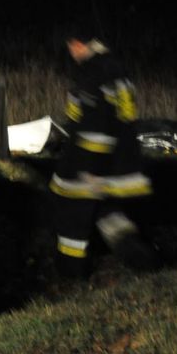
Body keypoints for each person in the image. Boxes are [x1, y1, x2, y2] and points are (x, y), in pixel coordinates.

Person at [49, 30, 156, 278]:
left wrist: (86, 170)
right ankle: (143, 259)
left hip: (91, 165)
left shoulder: (91, 73)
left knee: (71, 219)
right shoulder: (116, 68)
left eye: (71, 47)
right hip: (122, 163)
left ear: (77, 44)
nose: (71, 53)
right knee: (107, 212)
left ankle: (71, 275)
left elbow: (93, 127)